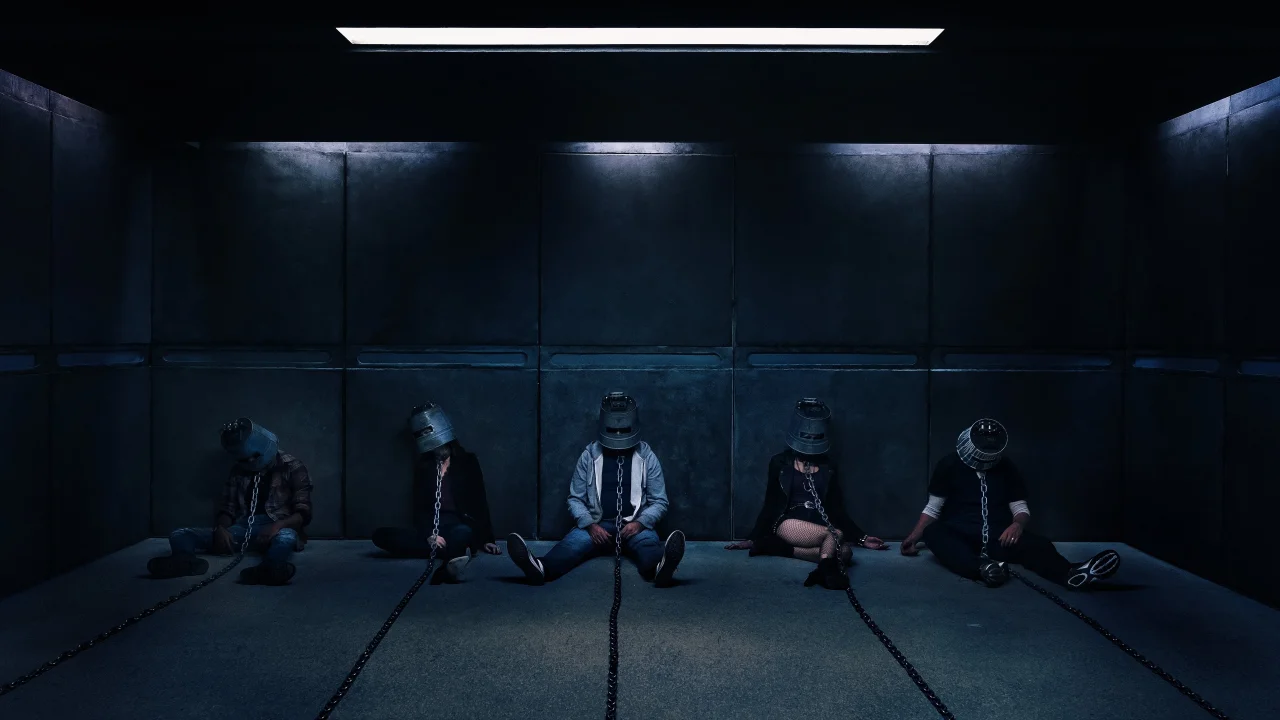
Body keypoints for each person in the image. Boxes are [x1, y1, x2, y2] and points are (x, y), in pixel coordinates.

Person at [900, 418, 1121, 589]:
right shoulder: (948, 465)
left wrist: (1017, 525)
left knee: (1039, 544)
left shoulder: (1006, 467)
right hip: (961, 534)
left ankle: (1070, 574)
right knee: (934, 533)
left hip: (1000, 536)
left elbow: (1020, 508)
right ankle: (984, 569)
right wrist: (913, 537)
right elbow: (933, 508)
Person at [507, 391, 686, 587]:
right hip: (597, 524)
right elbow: (575, 498)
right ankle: (541, 568)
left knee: (647, 546)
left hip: (634, 526)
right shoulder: (589, 456)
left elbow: (660, 501)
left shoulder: (647, 456)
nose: (618, 435)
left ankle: (660, 569)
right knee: (572, 545)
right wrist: (590, 525)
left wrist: (641, 523)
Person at [726, 398, 888, 590]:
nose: (810, 440)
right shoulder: (780, 463)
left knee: (845, 553)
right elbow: (771, 504)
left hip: (818, 527)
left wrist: (862, 538)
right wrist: (752, 538)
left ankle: (781, 549)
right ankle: (826, 571)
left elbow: (836, 509)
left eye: (815, 436)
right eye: (806, 435)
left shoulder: (828, 467)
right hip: (789, 524)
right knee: (835, 534)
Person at [146, 418, 312, 586]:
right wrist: (221, 529)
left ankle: (271, 567)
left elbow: (303, 512)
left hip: (278, 527)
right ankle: (183, 562)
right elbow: (228, 508)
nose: (249, 463)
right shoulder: (238, 470)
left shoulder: (292, 466)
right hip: (242, 529)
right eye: (243, 460)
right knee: (180, 534)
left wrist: (277, 526)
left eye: (253, 457)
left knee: (287, 537)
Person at [371, 403, 502, 583]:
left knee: (463, 532)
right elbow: (418, 507)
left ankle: (450, 558)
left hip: (457, 526)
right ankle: (453, 551)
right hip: (431, 530)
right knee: (381, 536)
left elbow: (480, 501)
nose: (429, 440)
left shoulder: (467, 462)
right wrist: (429, 535)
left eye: (429, 432)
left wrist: (487, 539)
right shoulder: (424, 467)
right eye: (422, 434)